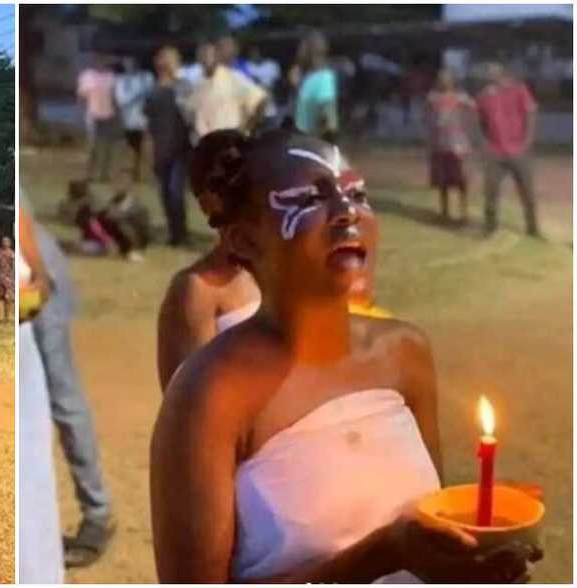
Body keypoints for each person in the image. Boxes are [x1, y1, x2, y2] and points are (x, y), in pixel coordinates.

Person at [150, 129, 541, 583]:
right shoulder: (209, 393)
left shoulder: (403, 352)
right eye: (307, 200)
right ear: (242, 241)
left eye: (357, 194)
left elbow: (431, 531)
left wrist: (475, 547)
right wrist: (379, 556)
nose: (347, 213)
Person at [30, 220, 114, 568]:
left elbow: (40, 282)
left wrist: (20, 318)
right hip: (33, 281)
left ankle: (98, 513)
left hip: (38, 278)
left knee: (62, 399)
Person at [157, 130, 262, 390]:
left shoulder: (286, 271)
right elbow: (195, 401)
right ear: (207, 203)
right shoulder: (198, 288)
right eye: (231, 190)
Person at [16, 202, 65, 582]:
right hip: (17, 350)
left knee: (32, 470)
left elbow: (45, 282)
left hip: (25, 349)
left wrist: (28, 301)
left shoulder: (20, 212)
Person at [475, 61, 540, 237]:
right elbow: (481, 122)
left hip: (518, 149)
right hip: (495, 151)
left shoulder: (519, 90)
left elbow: (531, 113)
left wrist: (528, 140)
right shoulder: (484, 96)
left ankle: (532, 229)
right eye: (488, 72)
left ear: (503, 73)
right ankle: (490, 227)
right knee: (491, 189)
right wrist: (486, 142)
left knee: (526, 190)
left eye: (494, 72)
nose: (490, 75)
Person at [145, 45, 194, 247]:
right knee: (165, 193)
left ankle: (181, 232)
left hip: (180, 148)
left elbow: (192, 115)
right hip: (160, 148)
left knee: (175, 191)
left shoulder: (184, 86)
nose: (165, 63)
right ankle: (174, 233)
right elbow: (148, 121)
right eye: (162, 59)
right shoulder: (153, 90)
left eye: (170, 60)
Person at [186, 39, 267, 143]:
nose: (205, 58)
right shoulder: (198, 84)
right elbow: (191, 116)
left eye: (209, 54)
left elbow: (261, 100)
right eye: (202, 54)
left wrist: (244, 130)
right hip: (203, 148)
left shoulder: (234, 78)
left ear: (217, 56)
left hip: (228, 146)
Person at [425, 69, 476, 224]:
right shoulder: (433, 98)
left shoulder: (461, 97)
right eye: (441, 79)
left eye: (447, 79)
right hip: (440, 142)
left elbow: (474, 111)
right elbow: (427, 116)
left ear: (453, 81)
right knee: (442, 179)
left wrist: (465, 128)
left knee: (461, 178)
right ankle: (444, 212)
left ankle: (464, 211)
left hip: (458, 143)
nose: (444, 82)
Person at [77, 55, 120, 182]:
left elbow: (114, 96)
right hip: (93, 114)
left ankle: (103, 174)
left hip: (108, 114)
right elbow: (82, 97)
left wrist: (117, 113)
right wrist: (81, 113)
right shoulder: (87, 76)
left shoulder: (111, 77)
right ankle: (88, 174)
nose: (101, 63)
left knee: (107, 146)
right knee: (92, 146)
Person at [114, 55, 154, 181]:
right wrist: (137, 96)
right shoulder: (121, 80)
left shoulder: (145, 78)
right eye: (127, 64)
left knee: (143, 148)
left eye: (132, 64)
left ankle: (141, 173)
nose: (130, 66)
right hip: (127, 120)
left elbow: (151, 96)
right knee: (128, 148)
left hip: (143, 120)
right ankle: (128, 172)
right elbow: (121, 101)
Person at [294, 32, 339, 142]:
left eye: (303, 47)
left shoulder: (323, 77)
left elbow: (328, 116)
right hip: (303, 138)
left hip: (312, 140)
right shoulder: (307, 76)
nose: (300, 51)